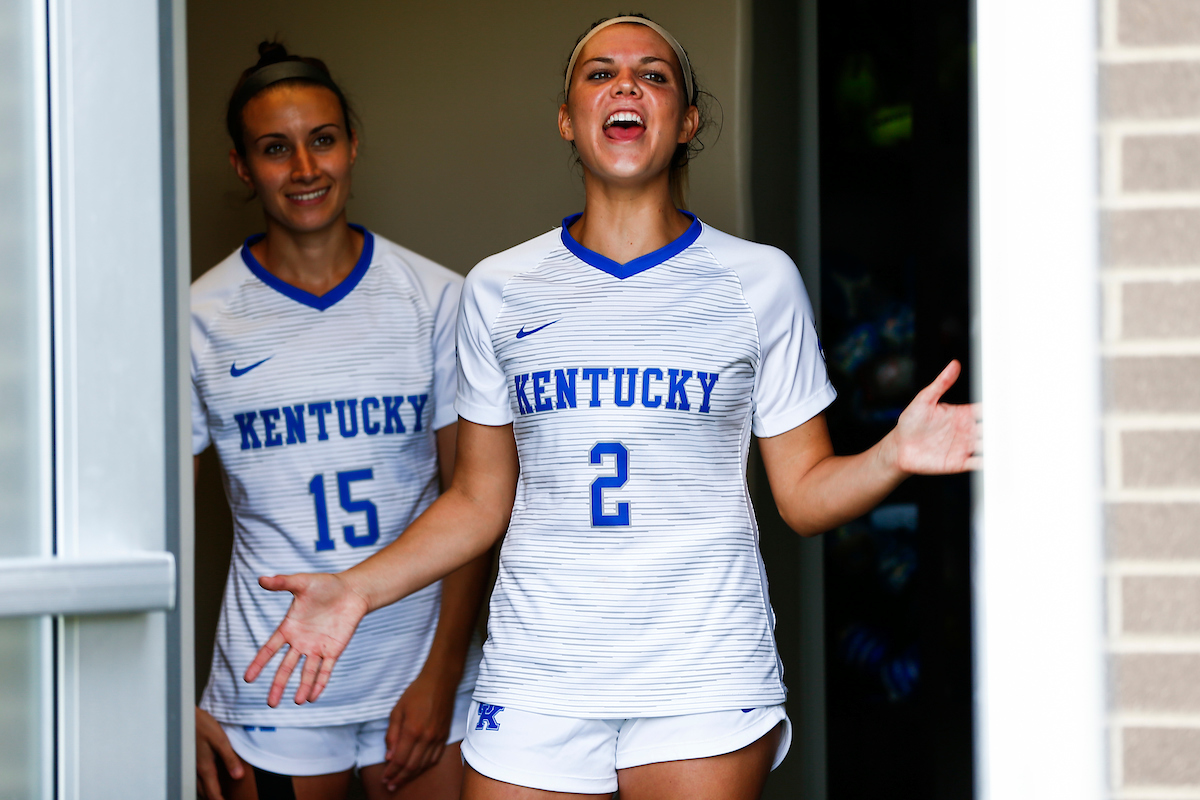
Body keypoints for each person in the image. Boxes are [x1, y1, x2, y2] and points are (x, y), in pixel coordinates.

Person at [244, 16, 981, 800]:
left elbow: (803, 497)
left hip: (702, 673)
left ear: (687, 120)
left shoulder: (758, 281)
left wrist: (892, 454)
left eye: (653, 75)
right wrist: (359, 586)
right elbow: (477, 500)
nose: (625, 84)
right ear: (567, 119)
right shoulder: (499, 287)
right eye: (599, 74)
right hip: (537, 675)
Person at [191, 42, 489, 800]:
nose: (304, 168)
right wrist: (168, 690)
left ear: (352, 145)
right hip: (271, 682)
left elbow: (473, 500)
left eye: (322, 139)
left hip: (420, 672)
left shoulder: (436, 298)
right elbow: (154, 526)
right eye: (274, 148)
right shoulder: (197, 318)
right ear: (241, 165)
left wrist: (443, 674)